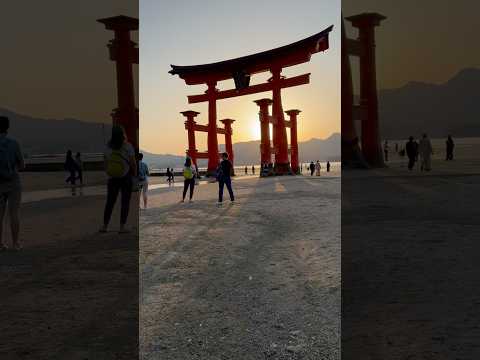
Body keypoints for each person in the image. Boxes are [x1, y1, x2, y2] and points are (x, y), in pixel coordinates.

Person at [100, 125, 136, 233]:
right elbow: (133, 163)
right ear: (122, 134)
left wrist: (110, 172)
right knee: (125, 202)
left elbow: (105, 163)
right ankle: (122, 227)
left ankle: (105, 226)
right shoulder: (127, 146)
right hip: (126, 177)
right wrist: (134, 176)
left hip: (112, 178)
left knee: (110, 202)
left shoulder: (108, 147)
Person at [0, 116, 25, 251]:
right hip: (13, 182)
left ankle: (0, 243)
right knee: (14, 214)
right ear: (7, 127)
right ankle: (15, 243)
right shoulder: (14, 144)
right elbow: (22, 165)